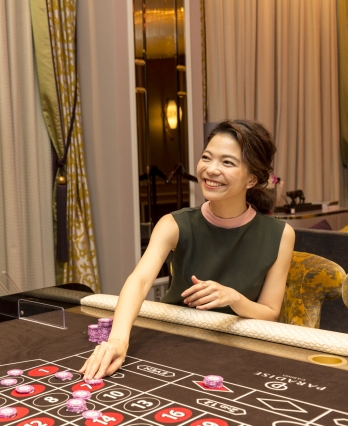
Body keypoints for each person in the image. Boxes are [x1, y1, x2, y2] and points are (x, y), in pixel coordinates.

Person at [80, 119, 295, 380]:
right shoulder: (173, 224)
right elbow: (140, 280)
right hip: (175, 338)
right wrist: (118, 341)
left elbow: (270, 313)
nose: (211, 169)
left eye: (227, 162)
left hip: (238, 349)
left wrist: (233, 298)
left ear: (252, 178)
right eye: (207, 157)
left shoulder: (280, 235)